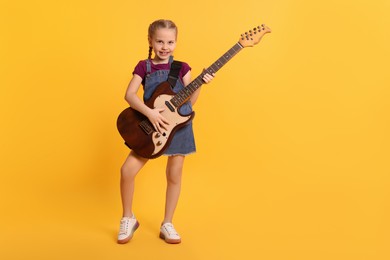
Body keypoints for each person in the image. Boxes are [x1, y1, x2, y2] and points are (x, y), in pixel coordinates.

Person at [117, 19, 215, 244]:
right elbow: (130, 95)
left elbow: (189, 104)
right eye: (160, 41)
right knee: (127, 171)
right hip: (151, 127)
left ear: (176, 42)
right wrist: (150, 113)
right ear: (150, 40)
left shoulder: (183, 68)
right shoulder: (144, 67)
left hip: (178, 128)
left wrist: (200, 83)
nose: (165, 46)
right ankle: (128, 217)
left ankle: (167, 223)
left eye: (170, 42)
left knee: (174, 176)